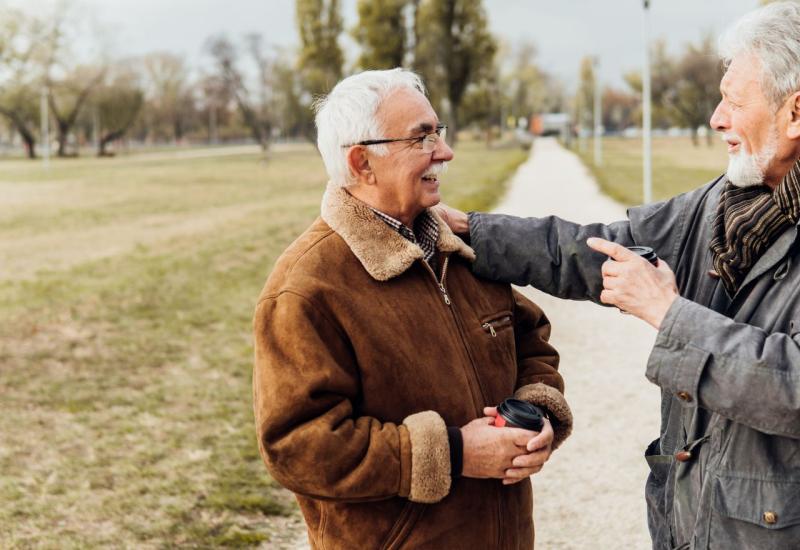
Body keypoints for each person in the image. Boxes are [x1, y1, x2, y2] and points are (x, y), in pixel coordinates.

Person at [437, 3, 800, 549]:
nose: (716, 118)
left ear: (795, 114)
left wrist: (669, 315)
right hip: (693, 519)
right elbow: (592, 248)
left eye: (734, 101)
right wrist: (474, 232)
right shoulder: (721, 203)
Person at [252, 69, 572, 549]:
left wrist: (536, 412)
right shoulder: (306, 287)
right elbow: (298, 446)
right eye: (422, 138)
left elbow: (533, 344)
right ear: (362, 163)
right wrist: (456, 452)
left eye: (438, 132)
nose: (444, 152)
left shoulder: (460, 251)